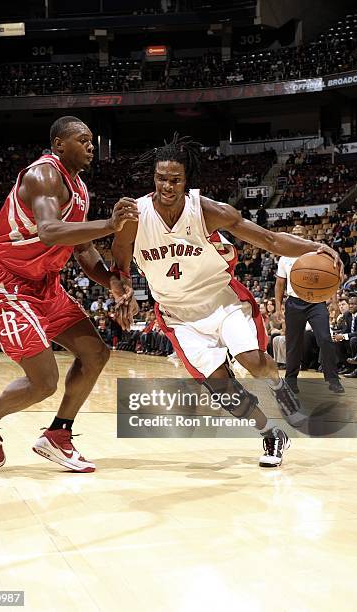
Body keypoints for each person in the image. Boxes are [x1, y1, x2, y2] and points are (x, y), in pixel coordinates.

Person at [111, 134, 342, 468]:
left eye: (175, 180)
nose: (167, 186)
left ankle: (279, 388)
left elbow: (268, 239)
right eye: (161, 179)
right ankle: (271, 434)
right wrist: (123, 291)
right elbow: (118, 266)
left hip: (222, 301)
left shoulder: (207, 211)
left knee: (252, 359)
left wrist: (313, 248)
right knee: (222, 388)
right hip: (179, 315)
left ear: (185, 181)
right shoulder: (134, 216)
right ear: (154, 178)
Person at [0, 115, 139, 472]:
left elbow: (84, 250)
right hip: (6, 286)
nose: (91, 145)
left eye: (93, 140)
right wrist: (110, 224)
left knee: (95, 353)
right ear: (60, 144)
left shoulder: (80, 189)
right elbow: (48, 231)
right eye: (83, 139)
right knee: (43, 382)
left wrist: (112, 282)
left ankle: (58, 434)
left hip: (45, 286)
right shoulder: (43, 174)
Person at [275, 225, 344, 394]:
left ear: (306, 235)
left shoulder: (318, 254)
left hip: (317, 302)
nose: (298, 235)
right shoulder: (285, 257)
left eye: (301, 233)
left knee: (326, 338)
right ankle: (291, 381)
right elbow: (280, 284)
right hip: (294, 302)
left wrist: (334, 301)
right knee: (293, 344)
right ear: (291, 236)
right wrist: (278, 307)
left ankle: (333, 380)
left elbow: (331, 278)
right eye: (295, 233)